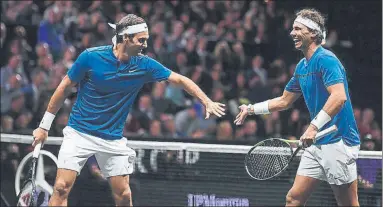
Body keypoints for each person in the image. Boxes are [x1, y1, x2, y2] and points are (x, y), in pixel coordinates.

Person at [32, 14, 225, 207]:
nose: (145, 45)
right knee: (61, 187)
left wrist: (206, 101)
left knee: (124, 195)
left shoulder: (144, 64)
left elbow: (180, 80)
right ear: (126, 38)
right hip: (79, 132)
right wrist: (44, 127)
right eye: (141, 40)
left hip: (112, 139)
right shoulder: (90, 57)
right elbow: (64, 88)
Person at [234, 8, 360, 207]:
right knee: (293, 199)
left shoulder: (326, 60)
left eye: (297, 28)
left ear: (312, 33)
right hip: (316, 145)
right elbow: (284, 101)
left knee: (348, 204)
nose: (292, 33)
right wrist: (251, 109)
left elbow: (339, 97)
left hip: (339, 142)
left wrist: (313, 127)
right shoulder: (302, 66)